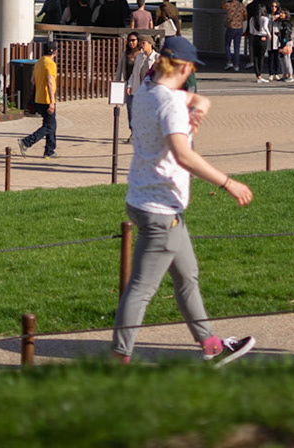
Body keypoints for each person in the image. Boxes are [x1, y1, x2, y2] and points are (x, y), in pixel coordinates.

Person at [110, 35, 255, 365]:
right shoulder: (171, 103)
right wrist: (228, 183)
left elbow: (192, 100)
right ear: (186, 68)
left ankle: (211, 345)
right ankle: (119, 359)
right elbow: (183, 155)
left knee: (187, 277)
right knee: (141, 289)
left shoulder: (146, 91)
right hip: (161, 210)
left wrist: (199, 105)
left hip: (144, 199)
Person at [19, 41, 59, 157]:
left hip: (38, 98)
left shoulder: (39, 62)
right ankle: (27, 142)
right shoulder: (50, 64)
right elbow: (50, 82)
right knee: (49, 126)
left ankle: (49, 150)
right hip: (47, 99)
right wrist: (52, 102)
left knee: (51, 124)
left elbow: (33, 80)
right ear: (55, 52)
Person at [245, 0, 272, 82]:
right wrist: (269, 34)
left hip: (255, 37)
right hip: (263, 37)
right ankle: (260, 74)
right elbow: (265, 27)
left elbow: (251, 31)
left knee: (255, 57)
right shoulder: (265, 18)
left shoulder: (252, 19)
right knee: (261, 57)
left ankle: (258, 75)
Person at [223, 0, 247, 71]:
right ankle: (236, 65)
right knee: (237, 47)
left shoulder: (229, 5)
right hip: (239, 28)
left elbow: (222, 6)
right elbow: (245, 16)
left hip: (231, 27)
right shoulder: (242, 6)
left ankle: (229, 62)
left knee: (227, 44)